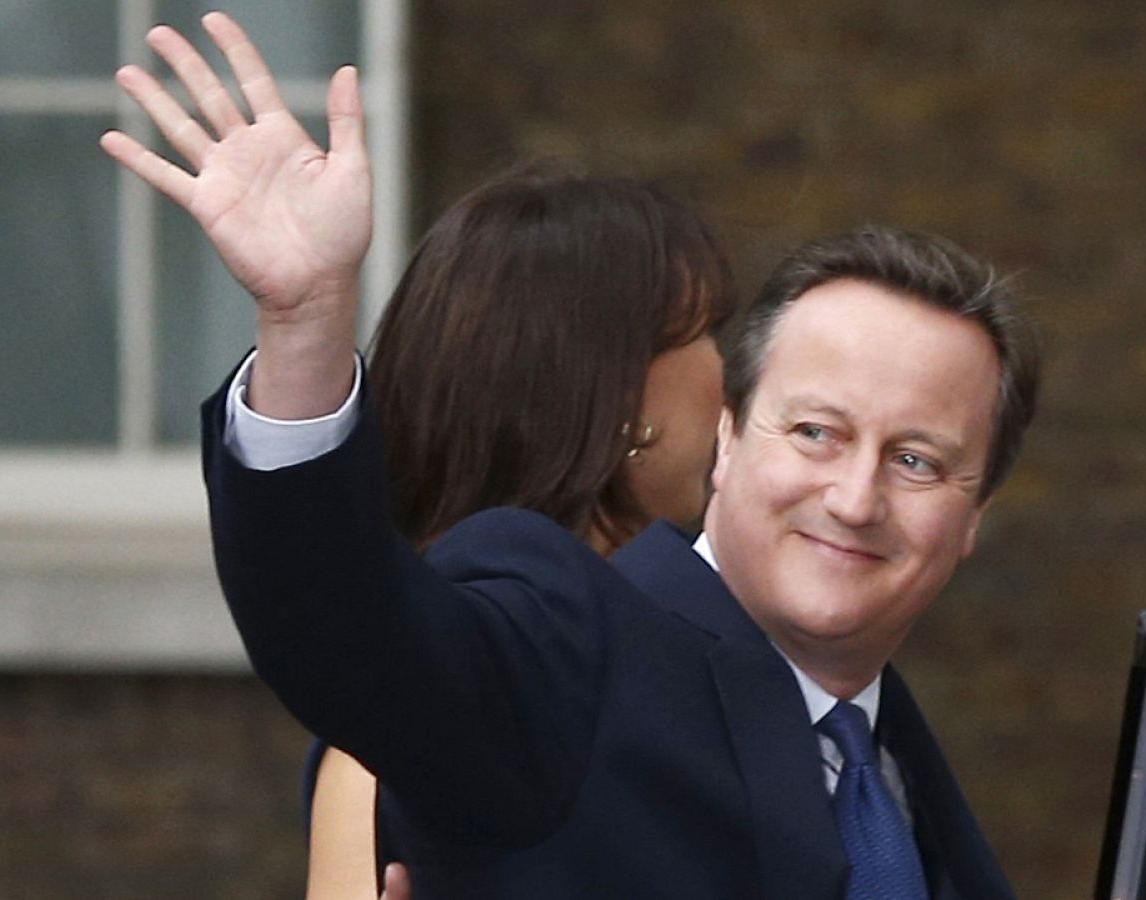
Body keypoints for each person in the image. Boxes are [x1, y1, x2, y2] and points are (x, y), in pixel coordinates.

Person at [111, 12, 1040, 899]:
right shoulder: (567, 639)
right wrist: (306, 326)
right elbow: (342, 629)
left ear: (975, 516)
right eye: (815, 433)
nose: (854, 496)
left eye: (916, 460)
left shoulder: (892, 760)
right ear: (727, 432)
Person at [99, 13, 731, 900]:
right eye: (708, 331)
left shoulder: (718, 625)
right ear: (622, 399)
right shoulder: (509, 661)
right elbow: (340, 628)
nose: (733, 373)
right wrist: (305, 327)